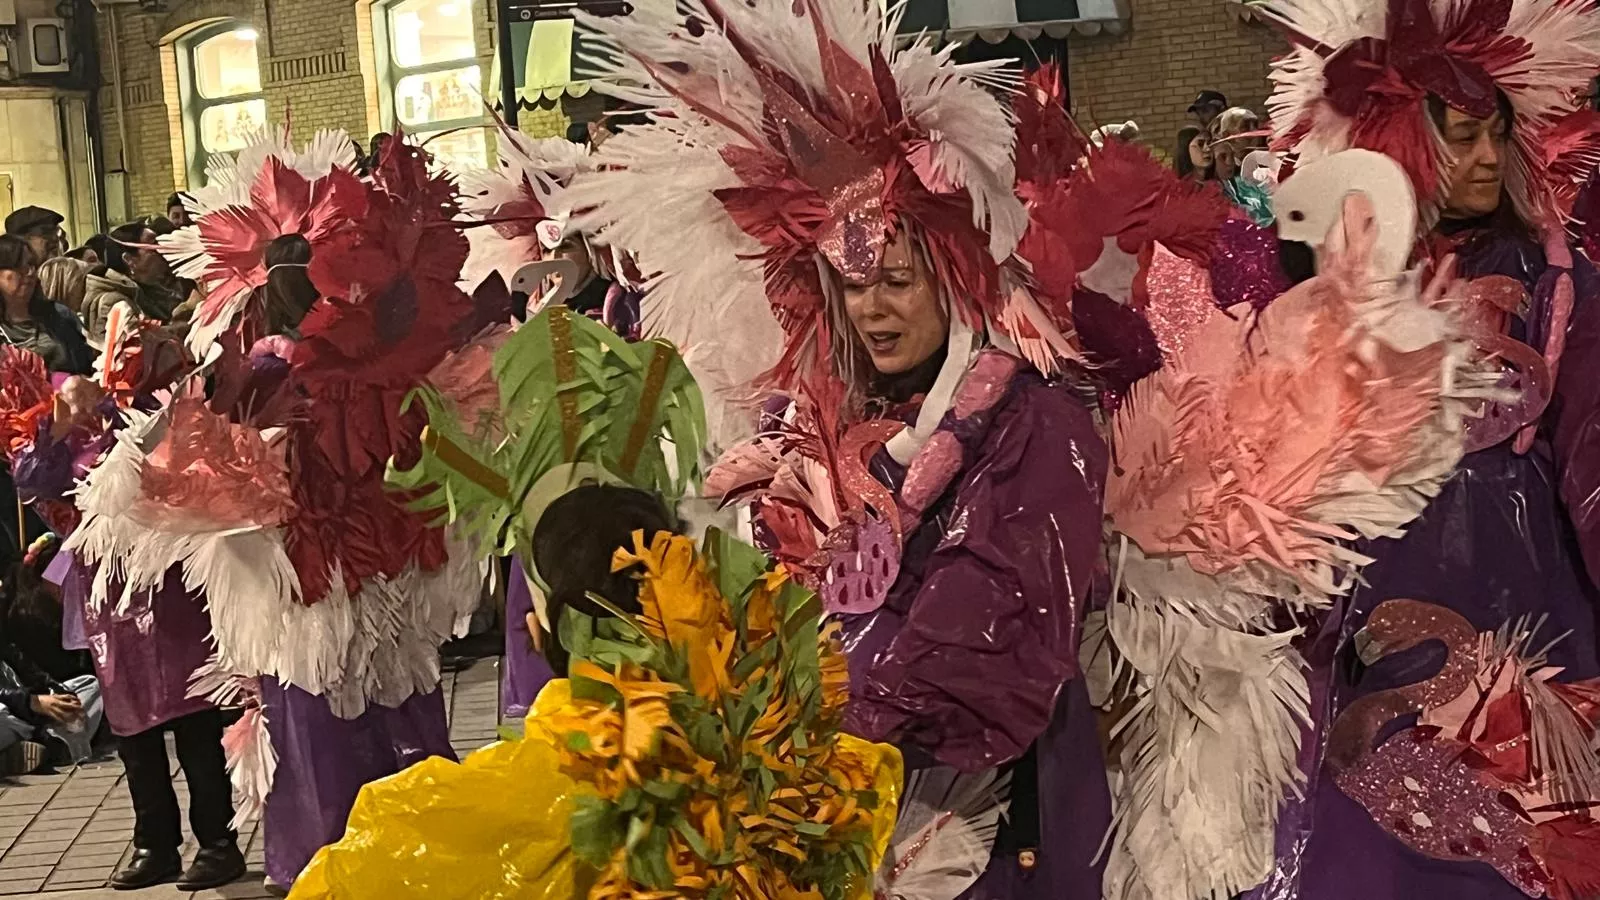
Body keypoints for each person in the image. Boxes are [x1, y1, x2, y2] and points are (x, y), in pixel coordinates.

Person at [572, 3, 1111, 896]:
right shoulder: (808, 420)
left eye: (897, 281)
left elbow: (986, 628)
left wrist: (812, 733)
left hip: (986, 804)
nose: (871, 309)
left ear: (954, 279)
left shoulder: (1031, 419)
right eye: (852, 287)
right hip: (836, 798)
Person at [1240, 0, 1600, 896]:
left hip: (1532, 600)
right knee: (1369, 843)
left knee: (1532, 843)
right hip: (1369, 597)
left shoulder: (1556, 277)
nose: (1486, 159)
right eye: (1461, 138)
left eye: (1495, 137)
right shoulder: (1330, 286)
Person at [70, 132, 483, 893]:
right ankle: (424, 857)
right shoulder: (395, 362)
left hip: (308, 598)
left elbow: (171, 478)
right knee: (399, 719)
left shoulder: (261, 372)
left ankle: (327, 869)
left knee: (320, 740)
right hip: (384, 587)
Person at [0, 236, 93, 375]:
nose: (30, 272)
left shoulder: (58, 313)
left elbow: (89, 358)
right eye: (19, 266)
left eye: (31, 264)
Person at [81, 223, 188, 343]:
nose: (163, 252)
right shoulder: (113, 301)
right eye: (153, 247)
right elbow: (135, 345)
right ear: (129, 260)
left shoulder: (157, 291)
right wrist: (178, 329)